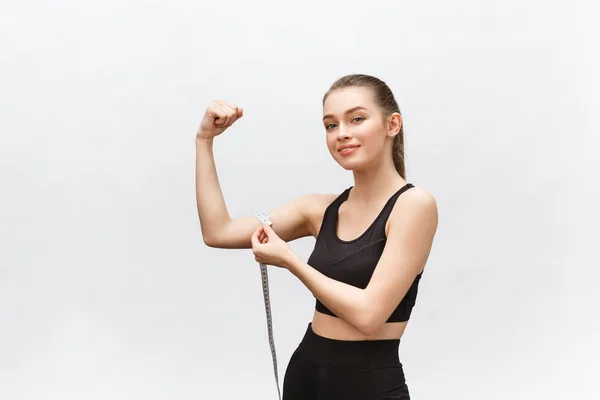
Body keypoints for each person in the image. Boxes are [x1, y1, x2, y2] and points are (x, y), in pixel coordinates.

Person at [195, 74, 438, 399]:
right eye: (330, 125)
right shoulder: (318, 209)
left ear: (392, 124)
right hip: (305, 376)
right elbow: (218, 231)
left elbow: (369, 316)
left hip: (369, 385)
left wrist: (291, 262)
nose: (342, 134)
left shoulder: (413, 205)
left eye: (356, 119)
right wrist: (204, 141)